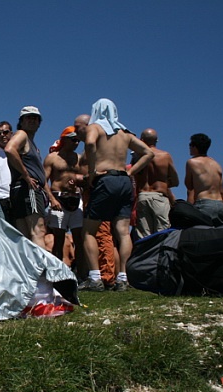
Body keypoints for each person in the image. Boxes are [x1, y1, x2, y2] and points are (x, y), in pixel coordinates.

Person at [75, 99, 154, 292]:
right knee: (123, 232)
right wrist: (131, 171)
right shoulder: (124, 133)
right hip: (124, 181)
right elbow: (148, 153)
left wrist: (92, 172)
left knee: (88, 231)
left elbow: (90, 143)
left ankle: (95, 278)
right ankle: (122, 278)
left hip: (105, 180)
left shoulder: (95, 128)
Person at [5, 106, 55, 249]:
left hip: (21, 189)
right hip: (28, 188)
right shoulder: (22, 135)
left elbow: (41, 174)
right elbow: (9, 149)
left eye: (35, 118)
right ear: (21, 121)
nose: (32, 120)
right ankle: (39, 263)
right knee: (38, 231)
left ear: (39, 123)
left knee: (24, 235)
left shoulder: (33, 145)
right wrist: (26, 175)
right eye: (28, 117)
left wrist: (50, 197)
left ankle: (28, 263)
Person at [43, 126, 86, 270]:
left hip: (76, 199)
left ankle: (81, 273)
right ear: (64, 139)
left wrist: (80, 182)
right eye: (73, 140)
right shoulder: (52, 158)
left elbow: (86, 178)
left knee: (79, 238)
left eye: (78, 140)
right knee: (59, 238)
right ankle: (58, 272)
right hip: (58, 199)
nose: (76, 143)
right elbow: (43, 180)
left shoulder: (78, 158)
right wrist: (52, 199)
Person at [132, 128, 179, 238]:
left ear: (141, 140)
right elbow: (175, 181)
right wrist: (163, 183)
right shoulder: (165, 156)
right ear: (156, 141)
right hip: (159, 196)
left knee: (144, 236)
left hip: (143, 196)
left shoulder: (138, 157)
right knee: (163, 233)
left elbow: (135, 179)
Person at [184, 133, 223, 226]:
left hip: (204, 203)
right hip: (220, 204)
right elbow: (221, 190)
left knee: (201, 232)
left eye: (191, 145)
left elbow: (189, 186)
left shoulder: (192, 162)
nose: (189, 147)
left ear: (195, 147)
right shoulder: (217, 164)